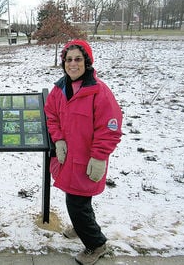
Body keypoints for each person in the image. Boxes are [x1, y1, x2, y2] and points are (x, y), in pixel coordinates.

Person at [44, 39, 122, 265]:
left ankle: (96, 244)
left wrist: (99, 156)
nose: (73, 64)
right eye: (68, 60)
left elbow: (110, 128)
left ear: (87, 62)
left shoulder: (99, 92)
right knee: (79, 201)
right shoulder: (59, 89)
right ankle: (80, 227)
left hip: (87, 160)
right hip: (67, 159)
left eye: (78, 59)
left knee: (76, 203)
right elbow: (51, 116)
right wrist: (58, 139)